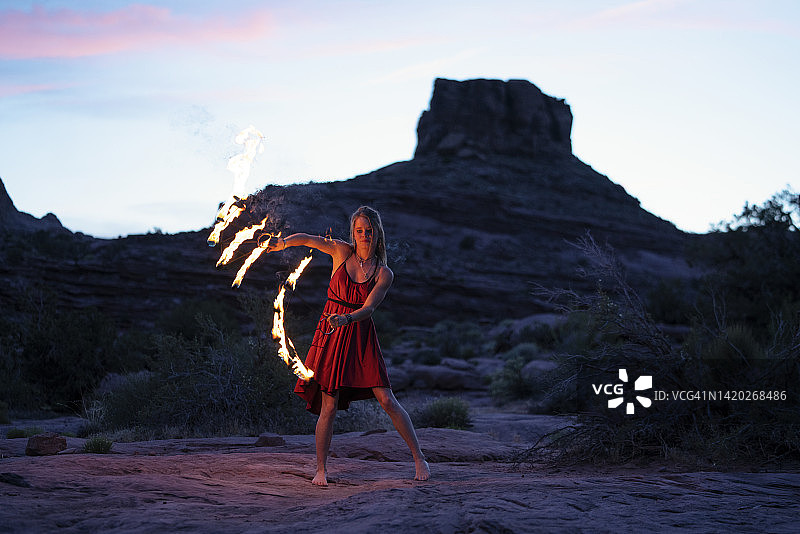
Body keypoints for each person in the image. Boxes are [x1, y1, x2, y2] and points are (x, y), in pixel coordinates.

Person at [262, 206, 430, 486]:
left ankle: (419, 458)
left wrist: (347, 318)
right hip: (331, 331)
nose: (364, 235)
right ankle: (321, 470)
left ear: (377, 234)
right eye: (359, 230)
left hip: (359, 331)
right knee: (329, 403)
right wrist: (283, 242)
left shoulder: (384, 273)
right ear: (352, 233)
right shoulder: (341, 251)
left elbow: (369, 308)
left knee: (386, 399)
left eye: (369, 230)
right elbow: (308, 239)